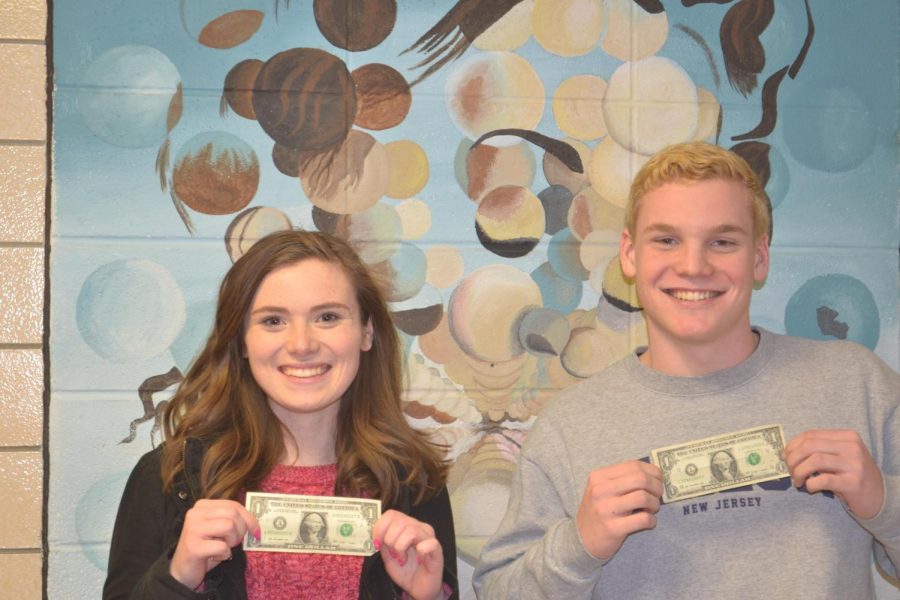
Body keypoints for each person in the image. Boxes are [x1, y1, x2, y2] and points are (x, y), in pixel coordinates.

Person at [473, 142, 899, 598]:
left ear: (759, 257)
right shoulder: (568, 428)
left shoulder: (858, 385)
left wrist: (882, 500)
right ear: (630, 255)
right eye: (666, 240)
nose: (694, 266)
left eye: (722, 241)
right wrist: (579, 545)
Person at [104, 230, 457, 600]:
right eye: (273, 321)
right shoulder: (168, 478)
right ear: (241, 339)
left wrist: (425, 598)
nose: (301, 345)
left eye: (327, 317)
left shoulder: (415, 483)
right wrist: (176, 578)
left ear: (366, 331)